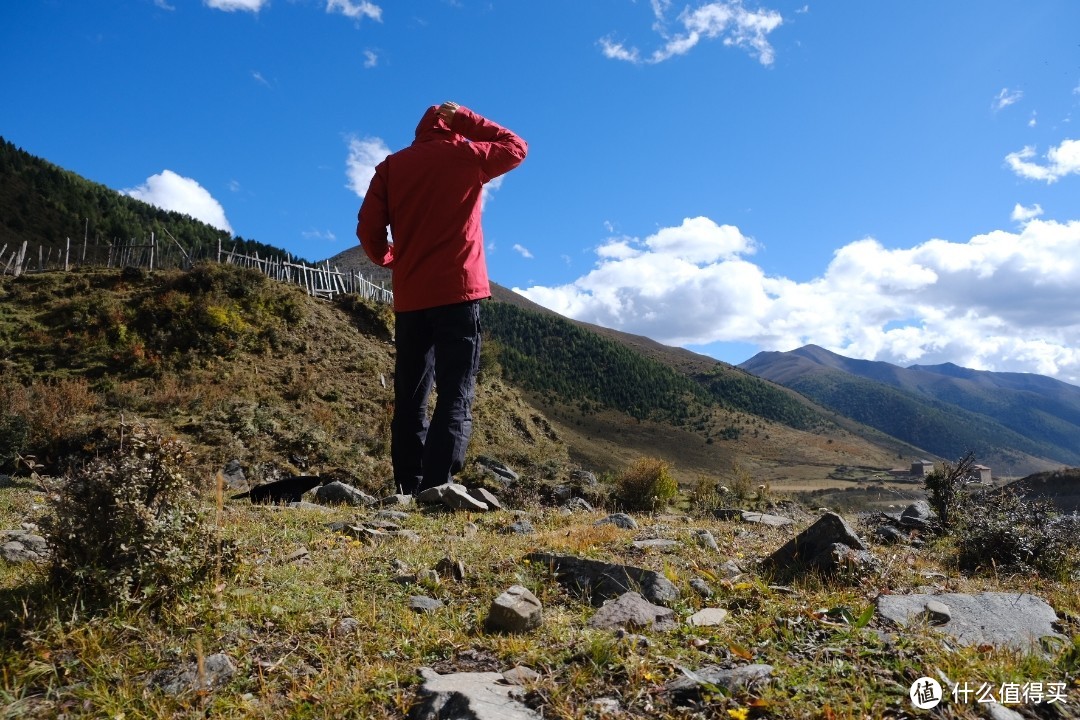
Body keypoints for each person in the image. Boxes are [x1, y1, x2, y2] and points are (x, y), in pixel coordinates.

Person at [356, 101, 527, 496]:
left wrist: (389, 257)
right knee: (455, 389)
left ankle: (408, 485)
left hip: (412, 297)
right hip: (459, 292)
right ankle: (437, 485)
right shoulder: (467, 155)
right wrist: (468, 119)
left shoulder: (391, 167)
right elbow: (516, 146)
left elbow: (368, 228)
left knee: (411, 393)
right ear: (452, 127)